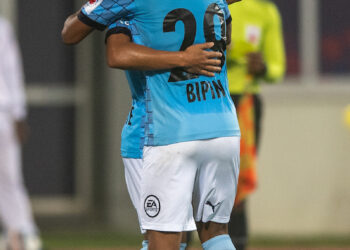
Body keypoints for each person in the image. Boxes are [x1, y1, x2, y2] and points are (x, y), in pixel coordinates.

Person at [64, 0, 242, 249]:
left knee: (161, 239)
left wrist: (181, 58)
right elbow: (226, 40)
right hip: (223, 127)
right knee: (216, 234)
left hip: (170, 130)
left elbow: (74, 34)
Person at [225, 1, 286, 249]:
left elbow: (277, 68)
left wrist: (262, 67)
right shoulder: (214, 3)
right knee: (195, 179)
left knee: (237, 182)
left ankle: (237, 243)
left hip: (245, 104)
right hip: (208, 97)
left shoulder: (266, 11)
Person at [0, 17, 42, 250]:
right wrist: (18, 112)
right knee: (9, 180)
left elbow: (10, 68)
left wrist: (17, 113)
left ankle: (22, 235)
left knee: (8, 179)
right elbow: (12, 69)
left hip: (3, 112)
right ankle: (22, 234)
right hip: (5, 112)